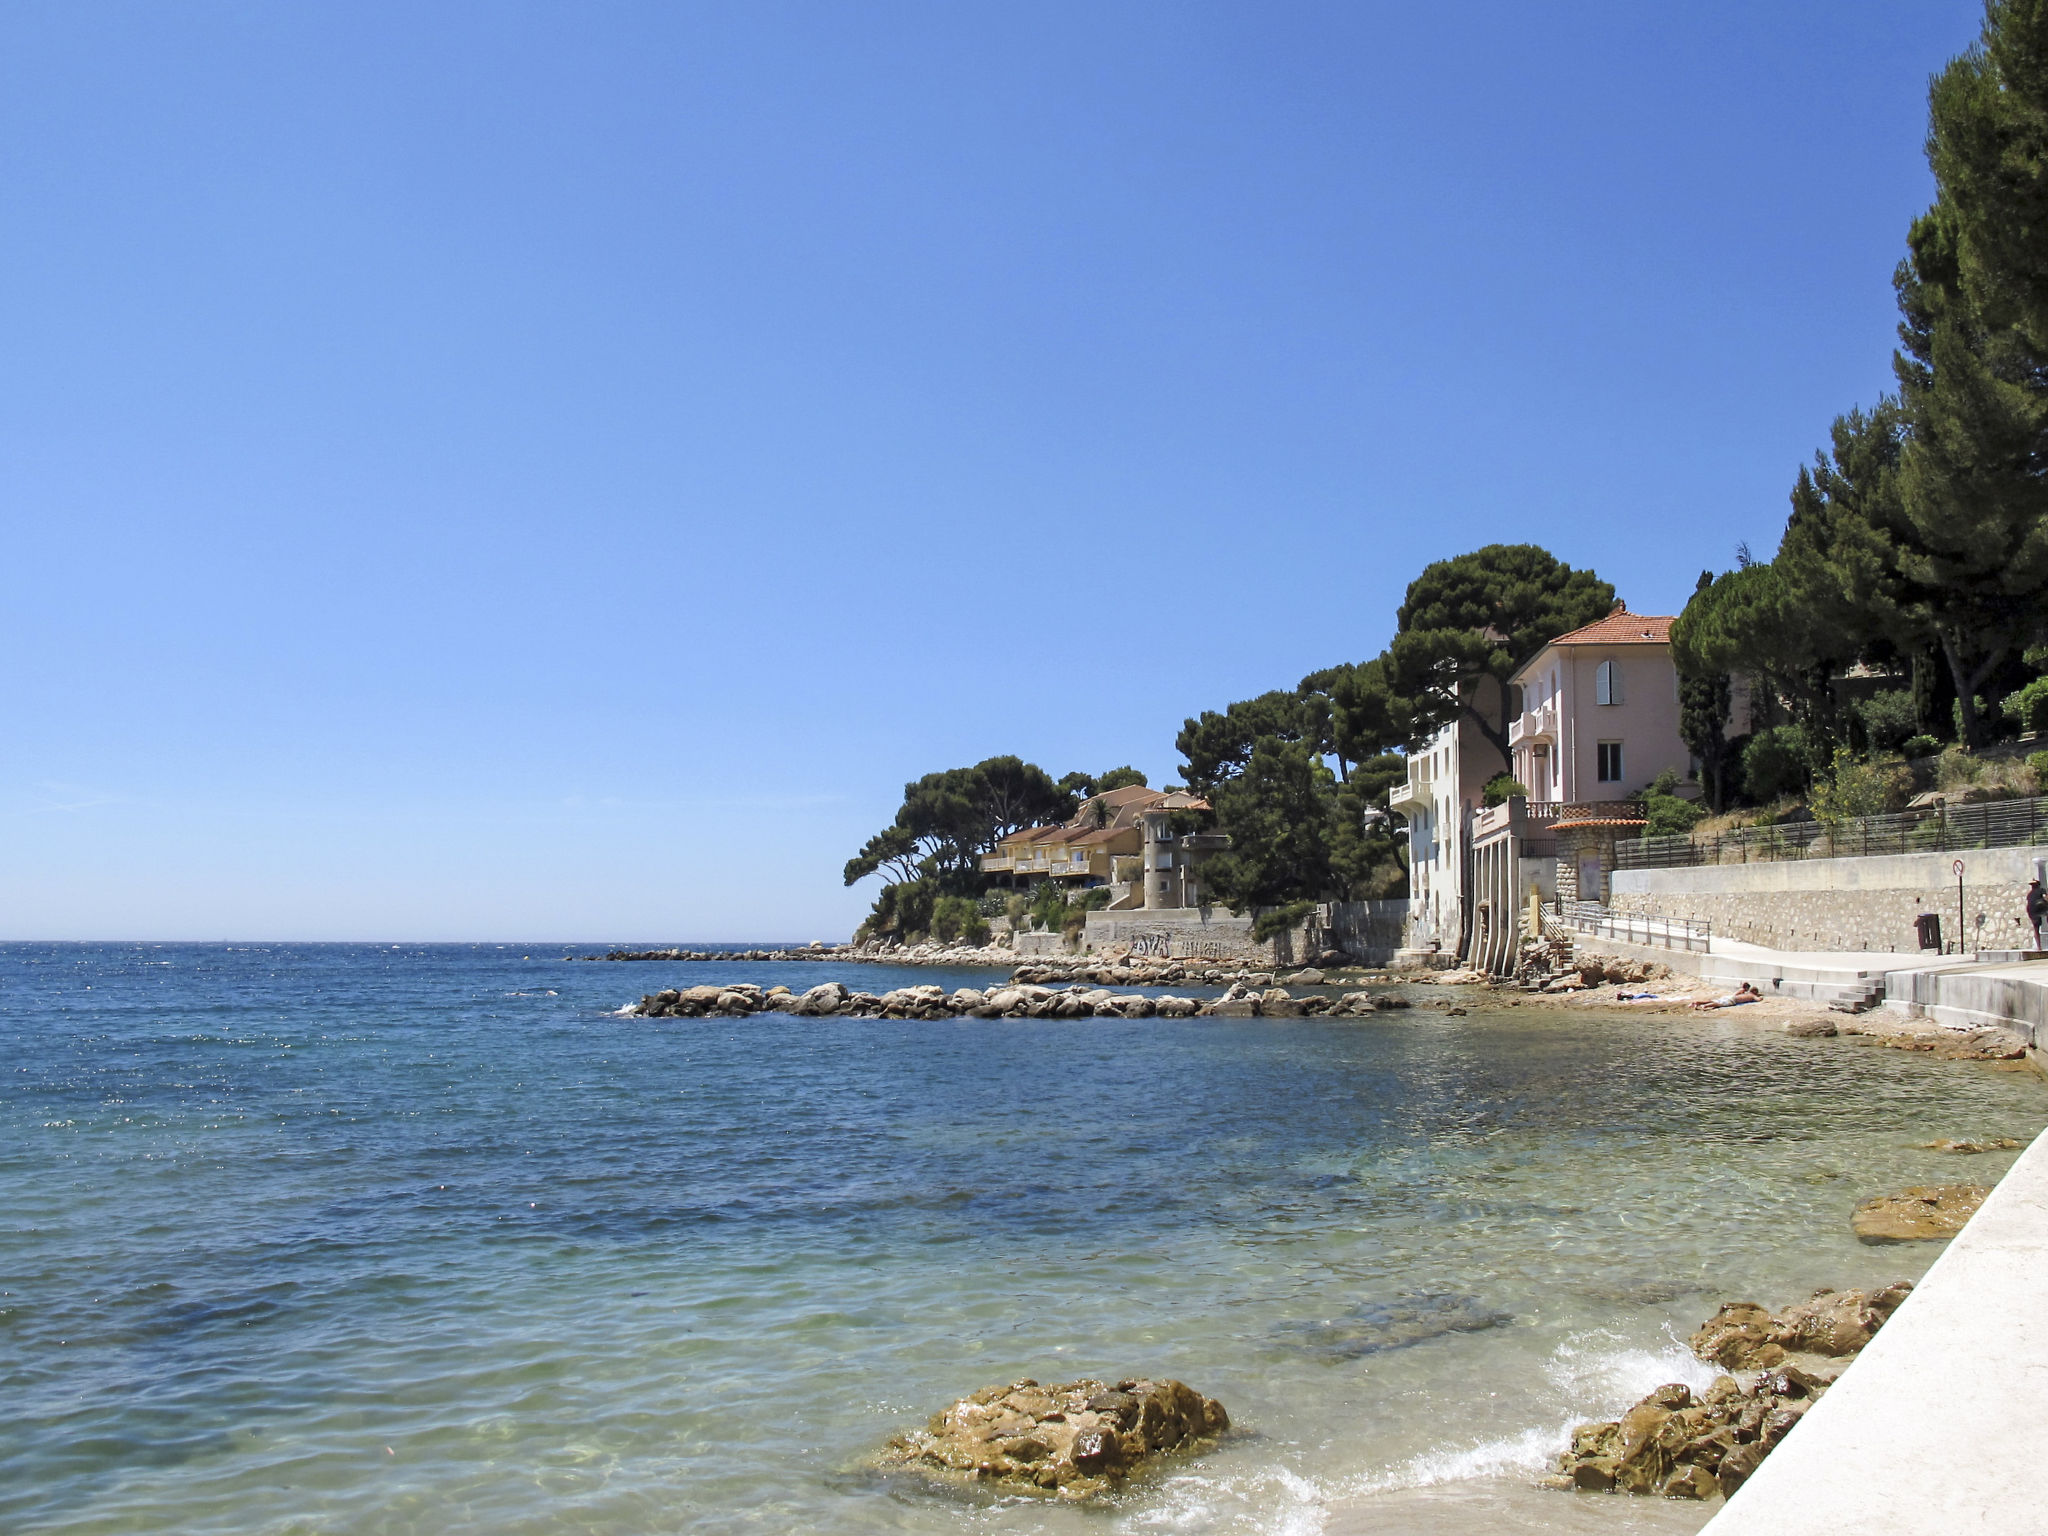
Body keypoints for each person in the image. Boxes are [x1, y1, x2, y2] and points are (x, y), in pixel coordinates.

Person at [1691, 981, 1762, 1010]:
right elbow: (1758, 999)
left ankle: (1699, 1003)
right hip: (1733, 1000)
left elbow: (1736, 994)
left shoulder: (1745, 993)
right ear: (1755, 992)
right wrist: (1761, 997)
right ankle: (1705, 1006)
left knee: (1715, 1001)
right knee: (1718, 1004)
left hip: (1730, 997)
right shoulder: (1752, 995)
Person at [2026, 879, 2047, 950]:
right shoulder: (2041, 890)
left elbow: (2029, 903)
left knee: (2036, 929)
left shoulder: (2029, 894)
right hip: (2039, 907)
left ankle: (2039, 947)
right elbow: (2045, 897)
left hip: (2031, 910)